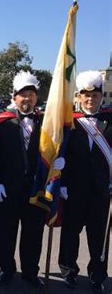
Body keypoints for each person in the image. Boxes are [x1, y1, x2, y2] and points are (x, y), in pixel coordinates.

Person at [0, 71, 46, 287]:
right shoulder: (3, 123)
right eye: (23, 95)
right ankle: (6, 269)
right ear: (14, 98)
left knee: (33, 234)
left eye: (31, 94)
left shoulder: (46, 124)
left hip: (36, 189)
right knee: (5, 232)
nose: (27, 99)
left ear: (36, 98)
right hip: (8, 189)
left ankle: (30, 272)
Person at [58, 71, 111, 293]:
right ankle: (68, 271)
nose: (91, 100)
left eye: (95, 96)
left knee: (98, 237)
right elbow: (62, 151)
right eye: (86, 96)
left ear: (101, 97)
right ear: (79, 97)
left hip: (101, 189)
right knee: (70, 233)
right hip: (74, 188)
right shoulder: (70, 122)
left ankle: (97, 275)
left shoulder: (110, 120)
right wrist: (60, 181)